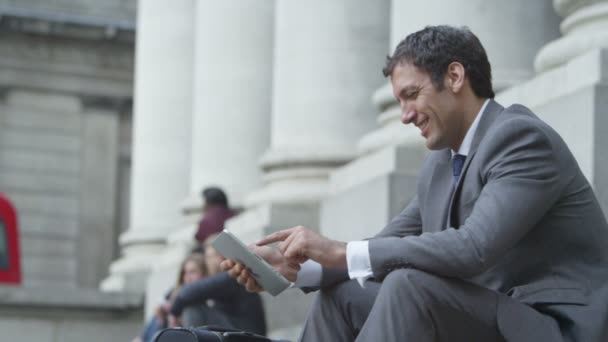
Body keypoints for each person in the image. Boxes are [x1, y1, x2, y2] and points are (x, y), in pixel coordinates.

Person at [222, 25, 608, 342]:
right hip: (488, 316)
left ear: (455, 77)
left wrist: (339, 251)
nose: (405, 116)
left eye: (412, 95)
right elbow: (381, 249)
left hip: (551, 327)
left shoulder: (520, 138)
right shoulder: (440, 166)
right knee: (342, 295)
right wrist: (299, 269)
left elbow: (473, 248)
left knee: (408, 286)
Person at [168, 234, 267, 336]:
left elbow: (186, 293)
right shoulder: (228, 278)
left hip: (247, 338)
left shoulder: (233, 276)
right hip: (238, 334)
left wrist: (173, 312)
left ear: (220, 257)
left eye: (208, 256)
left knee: (193, 308)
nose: (206, 262)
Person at [133, 253, 208, 342]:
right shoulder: (174, 293)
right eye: (185, 273)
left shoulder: (204, 302)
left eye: (192, 272)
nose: (187, 277)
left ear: (204, 273)